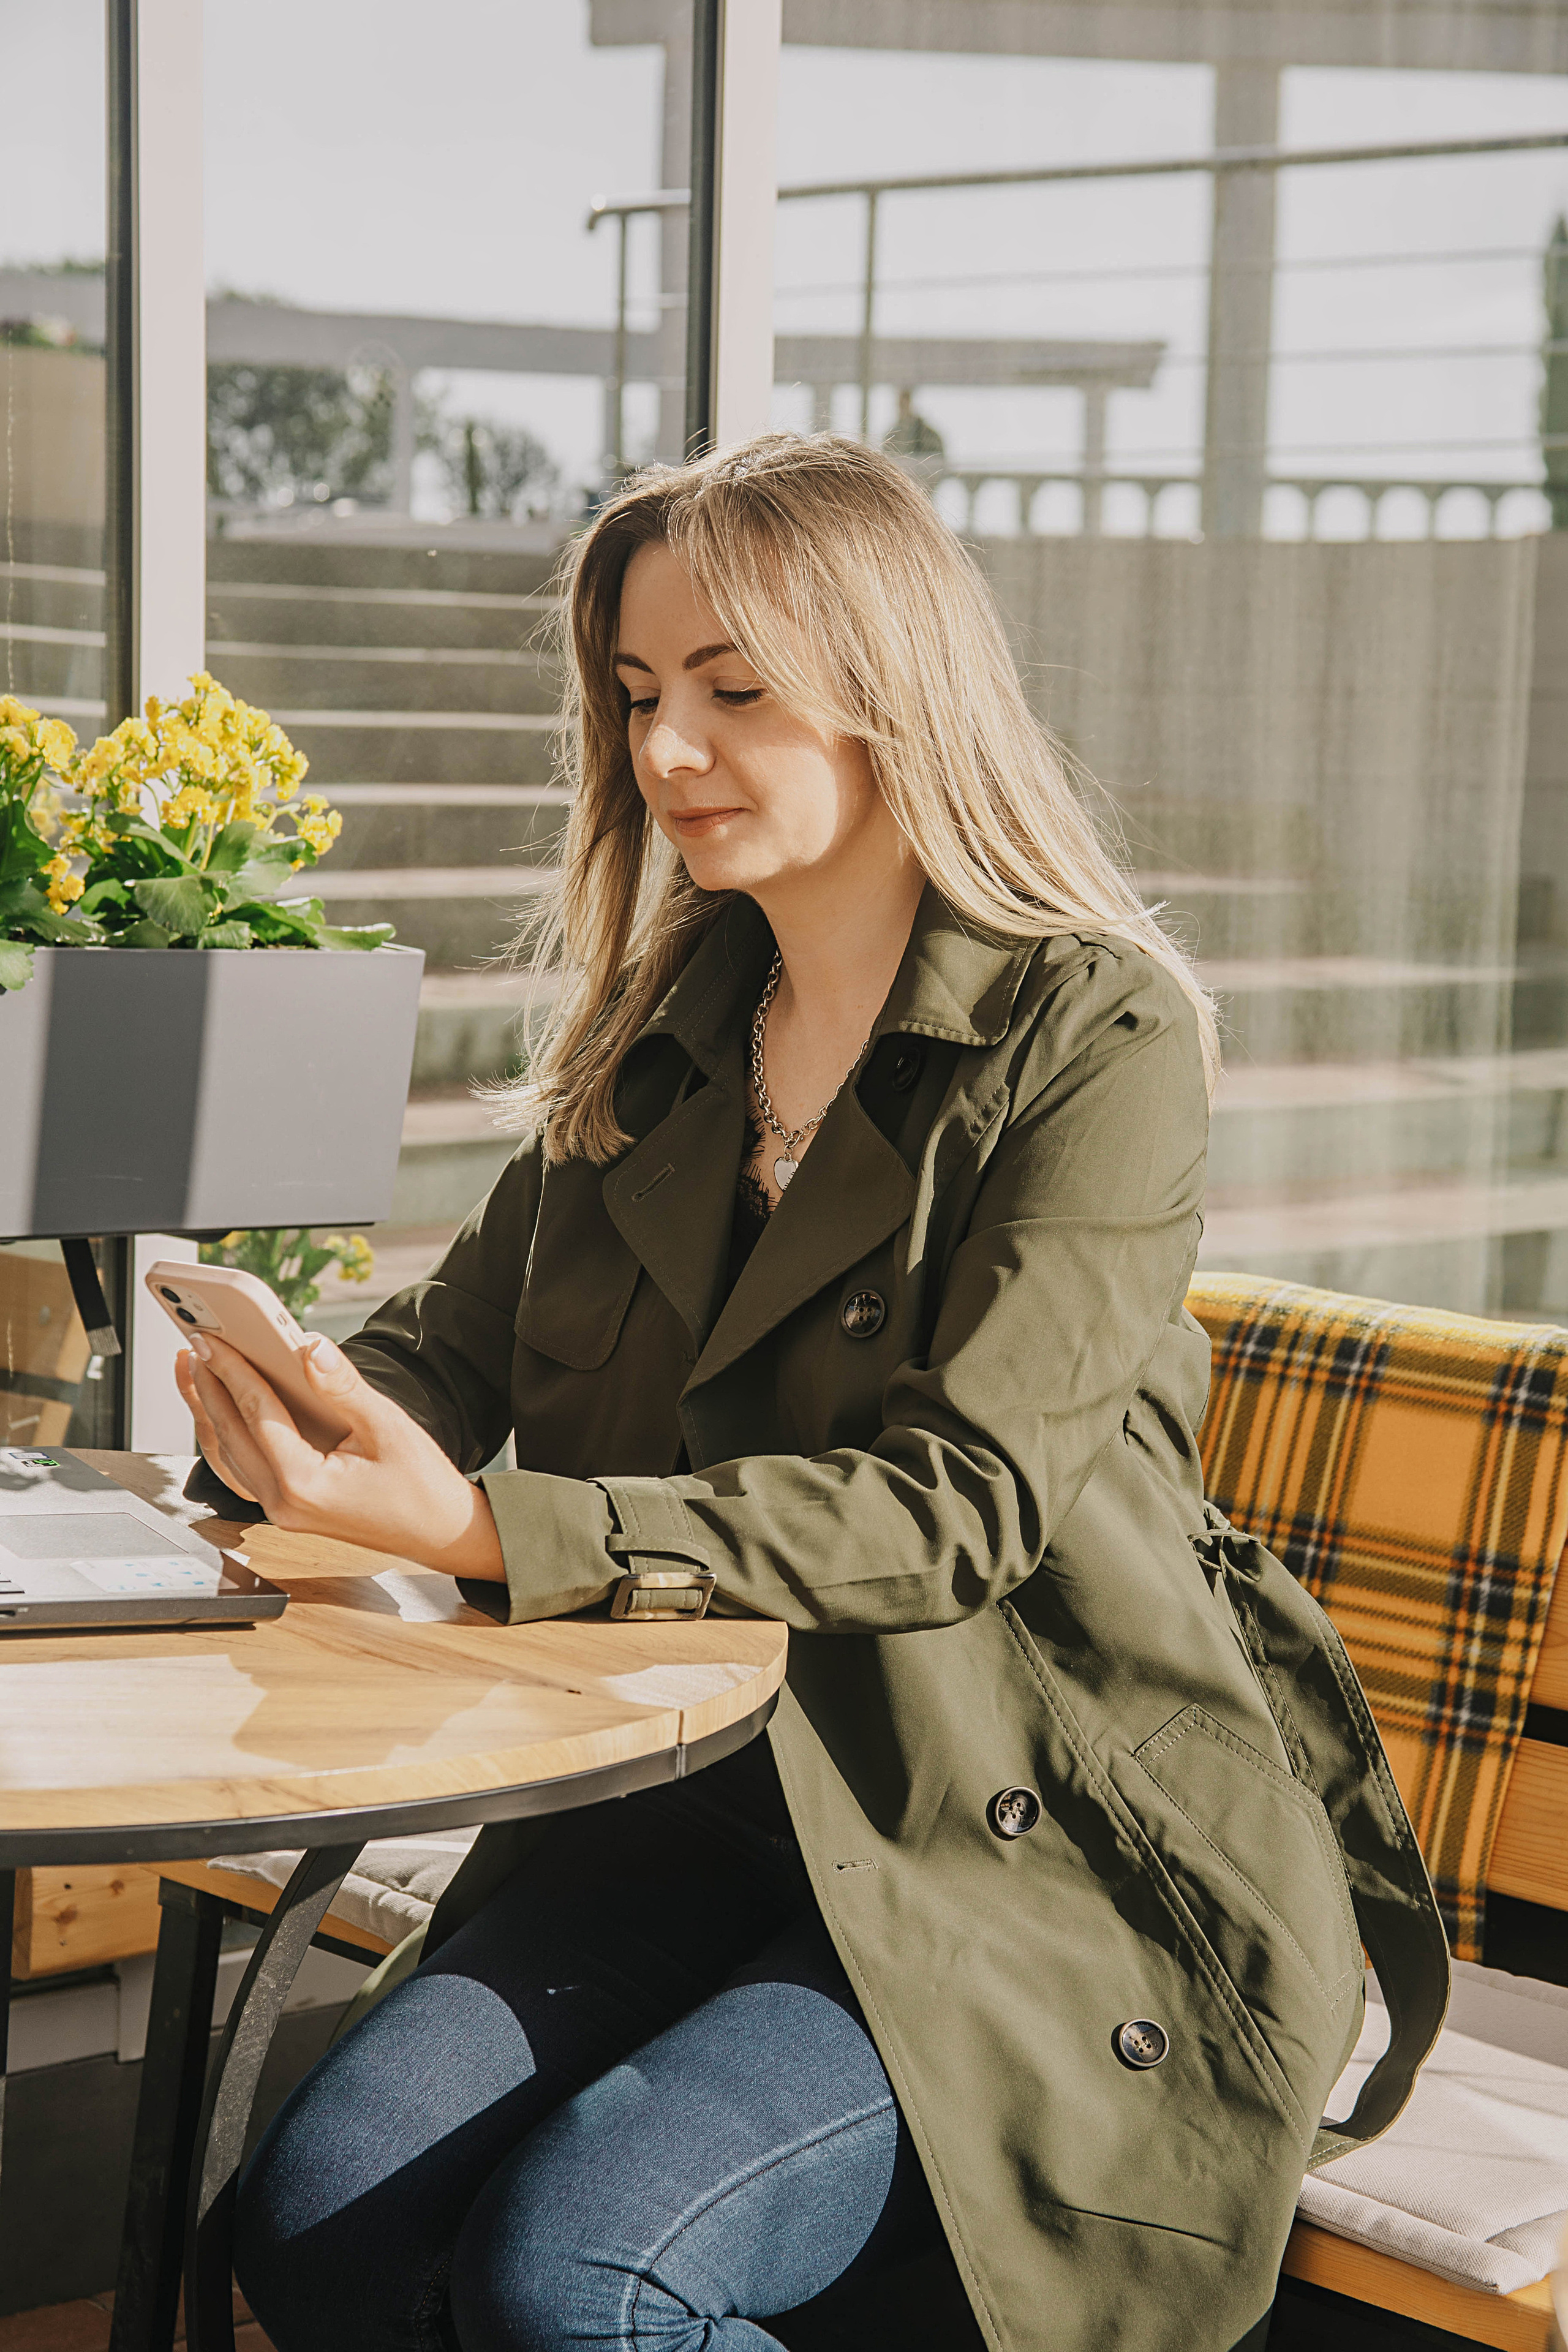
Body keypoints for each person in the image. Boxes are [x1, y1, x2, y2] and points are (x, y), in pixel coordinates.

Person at [180, 434, 1447, 2352]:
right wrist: (288, 1407)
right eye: (637, 695)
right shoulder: (658, 1034)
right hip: (681, 1807)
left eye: (733, 690)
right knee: (317, 2231)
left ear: (889, 687)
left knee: (576, 2275)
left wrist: (478, 1527)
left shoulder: (1089, 1036)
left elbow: (958, 1508)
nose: (667, 749)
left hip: (1022, 1847)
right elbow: (454, 1351)